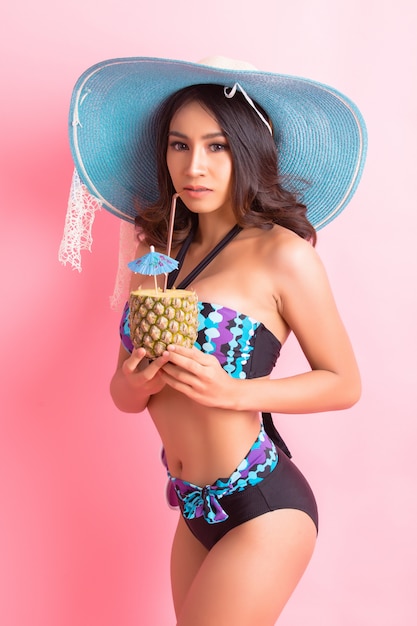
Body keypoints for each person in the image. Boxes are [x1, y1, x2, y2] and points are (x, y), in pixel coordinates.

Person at [60, 56, 367, 625]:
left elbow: (344, 383)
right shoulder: (156, 255)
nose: (193, 165)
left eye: (217, 146)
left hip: (263, 504)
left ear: (246, 153)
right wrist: (132, 379)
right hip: (195, 508)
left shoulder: (283, 253)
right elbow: (125, 399)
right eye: (179, 145)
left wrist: (234, 393)